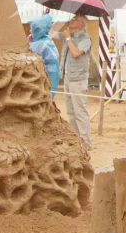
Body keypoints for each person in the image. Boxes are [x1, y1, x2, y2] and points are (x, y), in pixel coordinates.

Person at [60, 13, 93, 143]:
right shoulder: (69, 36)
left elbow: (75, 53)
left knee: (80, 112)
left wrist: (68, 38)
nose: (72, 20)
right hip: (68, 78)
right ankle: (76, 141)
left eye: (75, 19)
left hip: (78, 80)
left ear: (81, 24)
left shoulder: (86, 38)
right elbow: (51, 32)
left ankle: (85, 142)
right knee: (71, 112)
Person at [28, 11, 60, 94]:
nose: (30, 30)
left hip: (44, 79)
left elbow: (27, 57)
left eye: (33, 28)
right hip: (52, 77)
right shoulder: (47, 41)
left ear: (38, 29)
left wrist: (29, 42)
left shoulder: (39, 44)